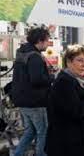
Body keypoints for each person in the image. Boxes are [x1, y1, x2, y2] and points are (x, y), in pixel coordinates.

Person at [45, 44, 84, 156]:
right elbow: (77, 111)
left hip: (78, 142)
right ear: (68, 62)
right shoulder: (64, 82)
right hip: (67, 146)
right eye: (80, 60)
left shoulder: (79, 80)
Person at [11, 27, 51, 156]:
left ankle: (18, 154)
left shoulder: (22, 52)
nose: (48, 43)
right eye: (47, 40)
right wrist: (52, 77)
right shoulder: (35, 57)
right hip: (36, 102)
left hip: (22, 101)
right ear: (40, 40)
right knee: (43, 132)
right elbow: (37, 80)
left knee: (30, 131)